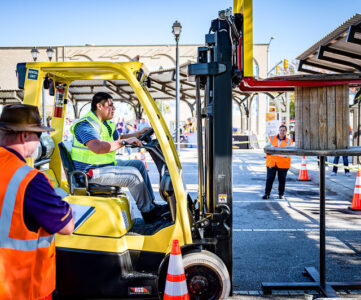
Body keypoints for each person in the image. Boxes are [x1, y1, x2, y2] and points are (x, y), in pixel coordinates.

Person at [0, 104, 74, 300]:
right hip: (19, 288)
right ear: (25, 135)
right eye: (39, 135)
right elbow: (66, 226)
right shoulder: (30, 180)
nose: (40, 141)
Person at [70, 92, 169, 222]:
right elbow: (98, 147)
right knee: (133, 177)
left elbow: (119, 138)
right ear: (99, 106)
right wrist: (124, 143)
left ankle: (151, 205)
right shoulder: (86, 125)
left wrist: (138, 134)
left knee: (138, 165)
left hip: (104, 166)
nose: (114, 109)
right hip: (90, 172)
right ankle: (148, 213)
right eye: (110, 106)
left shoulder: (105, 124)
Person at [263, 125, 293, 200]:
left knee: (282, 179)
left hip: (283, 163)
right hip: (271, 162)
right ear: (278, 130)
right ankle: (267, 194)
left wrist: (275, 152)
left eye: (284, 130)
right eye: (281, 130)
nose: (282, 132)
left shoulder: (289, 141)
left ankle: (281, 194)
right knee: (269, 179)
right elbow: (266, 148)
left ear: (286, 132)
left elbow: (290, 152)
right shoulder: (271, 138)